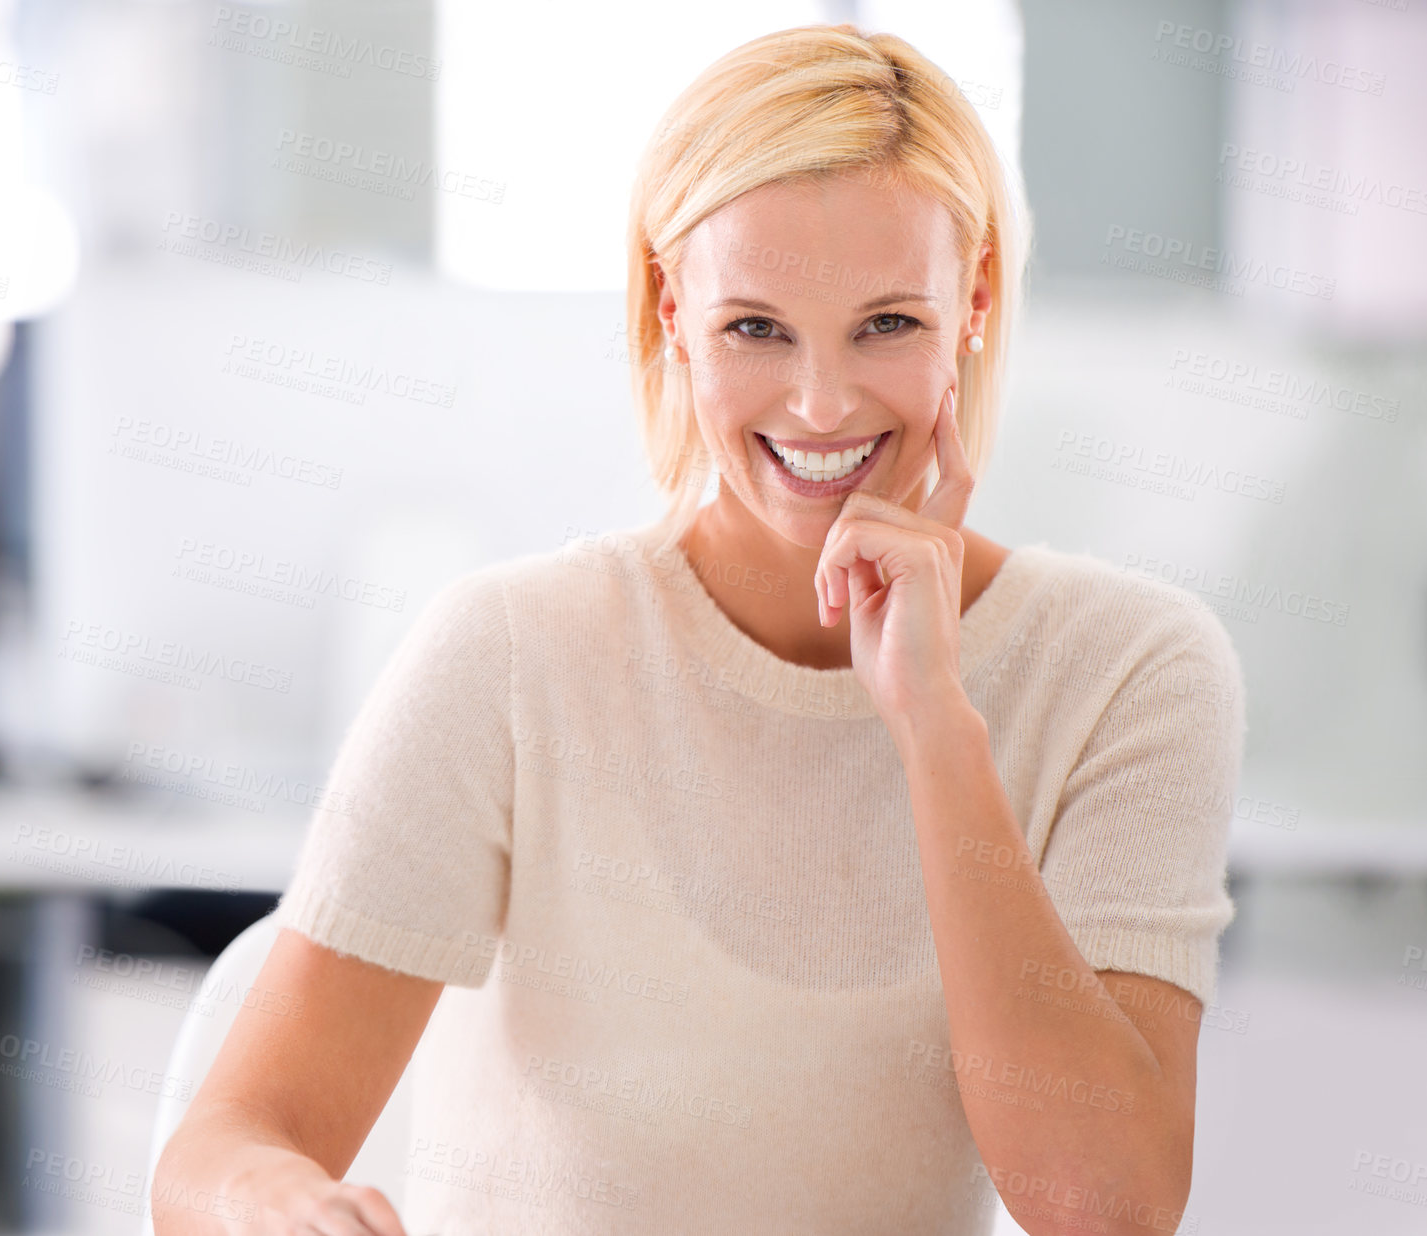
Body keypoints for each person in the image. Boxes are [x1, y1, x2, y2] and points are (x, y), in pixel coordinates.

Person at [153, 23, 1245, 1236]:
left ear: (974, 300)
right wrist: (281, 1208)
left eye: (887, 323)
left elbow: (1107, 1210)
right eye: (755, 328)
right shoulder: (512, 655)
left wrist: (937, 729)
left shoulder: (1131, 669)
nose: (821, 404)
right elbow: (223, 1148)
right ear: (671, 310)